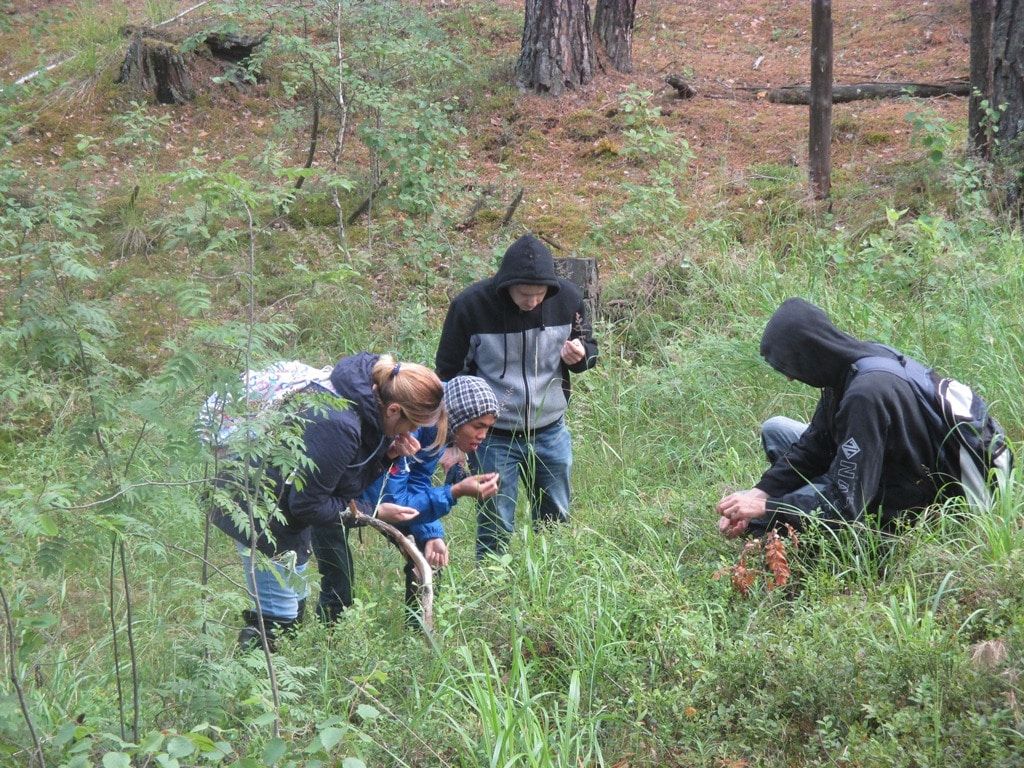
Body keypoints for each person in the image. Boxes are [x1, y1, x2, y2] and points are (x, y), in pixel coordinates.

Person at [210, 353, 444, 646]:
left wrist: (389, 454)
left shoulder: (365, 404)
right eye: (411, 426)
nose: (411, 434)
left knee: (295, 601)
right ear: (394, 410)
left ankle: (269, 681)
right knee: (278, 618)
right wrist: (373, 512)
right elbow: (309, 505)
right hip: (259, 510)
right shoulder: (340, 425)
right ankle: (251, 682)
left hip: (284, 509)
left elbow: (342, 480)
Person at [717, 297, 978, 539]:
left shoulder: (866, 395)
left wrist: (767, 509)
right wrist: (760, 491)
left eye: (790, 367)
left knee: (765, 526)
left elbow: (844, 505)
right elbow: (816, 443)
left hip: (913, 497)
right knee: (776, 429)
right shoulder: (849, 363)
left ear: (809, 353)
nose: (790, 378)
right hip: (881, 464)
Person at [435, 233, 599, 557]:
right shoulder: (471, 306)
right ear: (506, 284)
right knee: (496, 522)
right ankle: (493, 591)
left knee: (555, 518)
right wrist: (454, 440)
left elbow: (590, 349)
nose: (532, 302)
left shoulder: (567, 299)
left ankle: (553, 581)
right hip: (493, 437)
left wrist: (581, 355)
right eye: (525, 294)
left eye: (539, 294)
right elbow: (448, 374)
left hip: (551, 430)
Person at [355, 376, 501, 618]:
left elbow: (417, 481)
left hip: (373, 496)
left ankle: (418, 634)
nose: (483, 435)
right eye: (477, 426)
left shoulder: (438, 429)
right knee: (336, 573)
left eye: (488, 427)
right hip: (334, 491)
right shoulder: (413, 426)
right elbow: (394, 502)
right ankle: (327, 635)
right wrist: (455, 491)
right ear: (457, 419)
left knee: (428, 553)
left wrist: (431, 532)